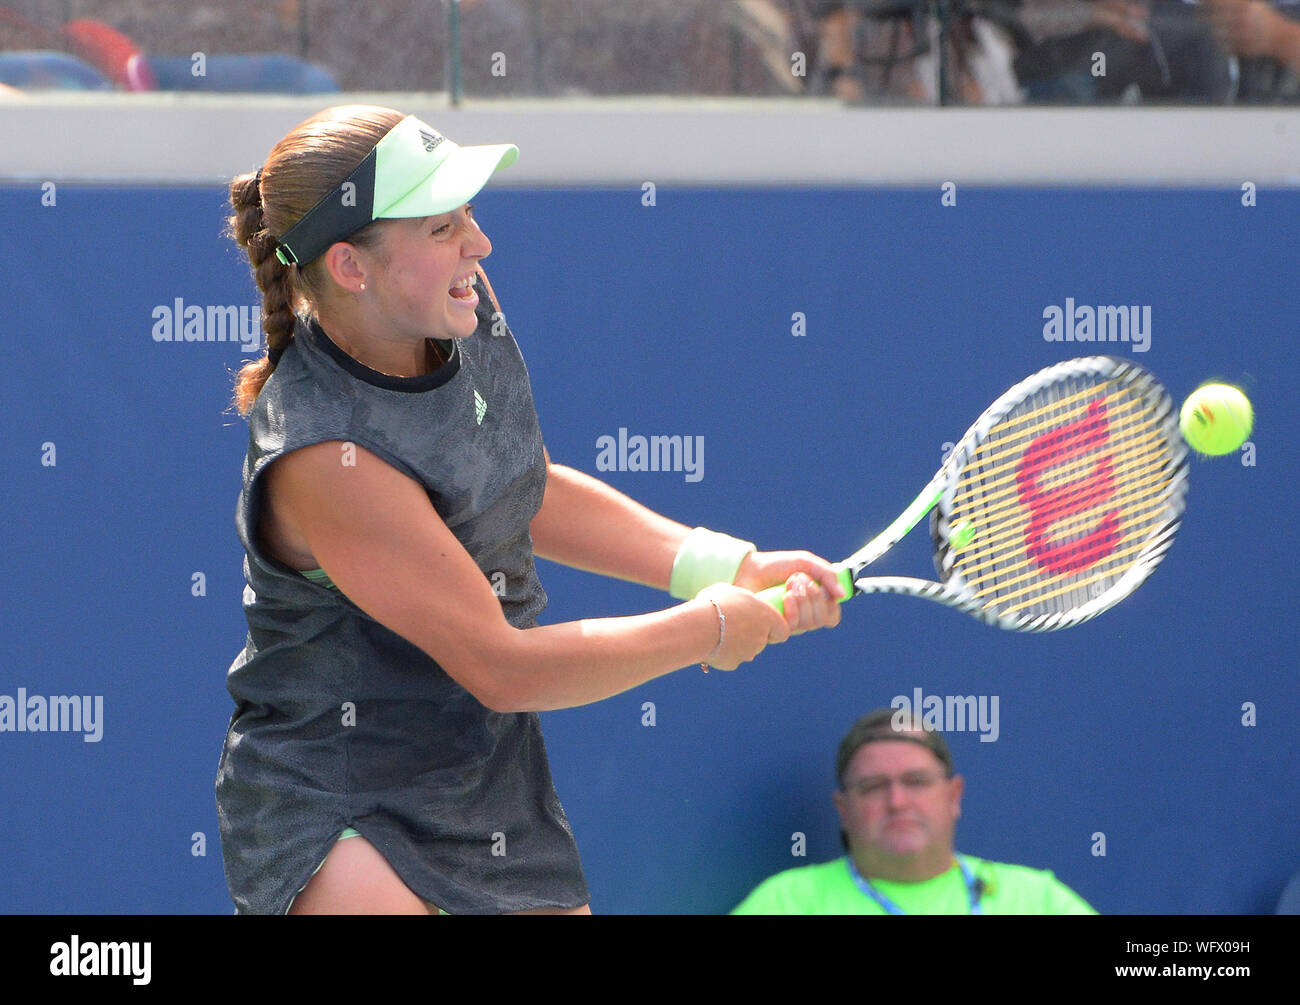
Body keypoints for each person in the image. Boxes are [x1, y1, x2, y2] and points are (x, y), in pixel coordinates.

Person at [214, 104, 846, 915]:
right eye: (441, 227)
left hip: (485, 778)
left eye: (469, 215)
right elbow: (504, 667)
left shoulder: (451, 305)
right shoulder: (326, 457)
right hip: (334, 799)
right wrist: (710, 628)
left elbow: (517, 484)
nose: (477, 245)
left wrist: (722, 564)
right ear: (349, 266)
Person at [732, 708, 1097, 913]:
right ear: (843, 809)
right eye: (873, 787)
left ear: (954, 795)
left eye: (916, 781)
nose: (897, 802)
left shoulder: (1036, 900)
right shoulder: (789, 902)